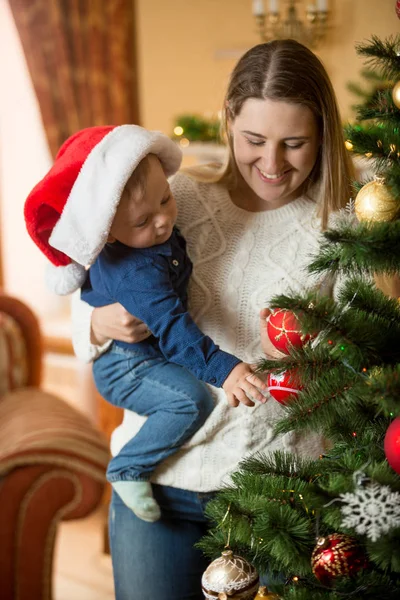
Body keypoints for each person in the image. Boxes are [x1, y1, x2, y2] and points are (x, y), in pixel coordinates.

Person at [71, 40, 354, 600]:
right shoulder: (172, 198)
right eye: (254, 140)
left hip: (279, 500)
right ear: (228, 121)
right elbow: (89, 293)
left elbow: (361, 365)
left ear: (322, 134)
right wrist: (100, 324)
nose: (272, 164)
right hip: (159, 485)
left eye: (294, 143)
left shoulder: (343, 224)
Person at [24, 124, 267, 524]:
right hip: (125, 364)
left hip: (141, 353)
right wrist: (227, 369)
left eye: (166, 199)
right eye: (142, 222)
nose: (161, 222)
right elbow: (174, 330)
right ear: (108, 233)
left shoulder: (151, 230)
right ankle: (127, 467)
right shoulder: (137, 275)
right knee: (191, 400)